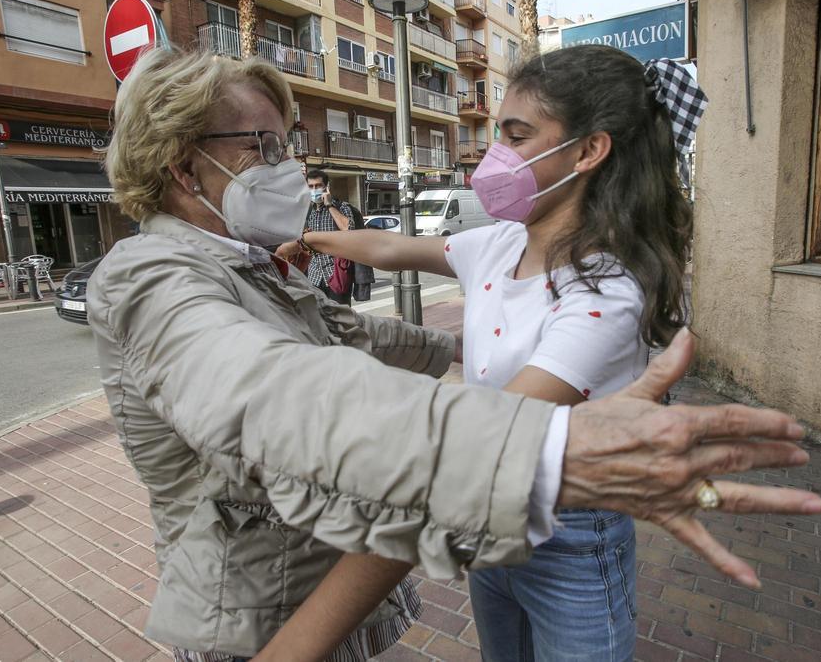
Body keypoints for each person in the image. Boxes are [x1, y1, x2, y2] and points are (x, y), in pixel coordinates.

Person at [90, 46, 821, 662]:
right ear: (186, 168)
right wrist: (535, 448)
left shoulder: (244, 262)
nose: (287, 166)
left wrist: (458, 350)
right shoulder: (149, 276)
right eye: (265, 147)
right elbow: (274, 388)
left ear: (590, 150)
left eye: (516, 133)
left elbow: (347, 338)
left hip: (399, 567)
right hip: (263, 613)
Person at [278, 45, 711, 660]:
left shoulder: (605, 294)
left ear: (589, 151)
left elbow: (487, 443)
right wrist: (312, 238)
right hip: (491, 529)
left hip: (570, 539)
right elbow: (396, 249)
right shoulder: (501, 242)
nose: (495, 155)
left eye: (517, 135)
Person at [303, 169, 357, 305]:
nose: (314, 190)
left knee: (341, 320)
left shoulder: (341, 207)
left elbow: (348, 229)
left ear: (326, 187)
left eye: (318, 186)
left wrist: (329, 205)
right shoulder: (308, 211)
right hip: (314, 276)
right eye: (311, 187)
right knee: (320, 318)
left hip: (336, 274)